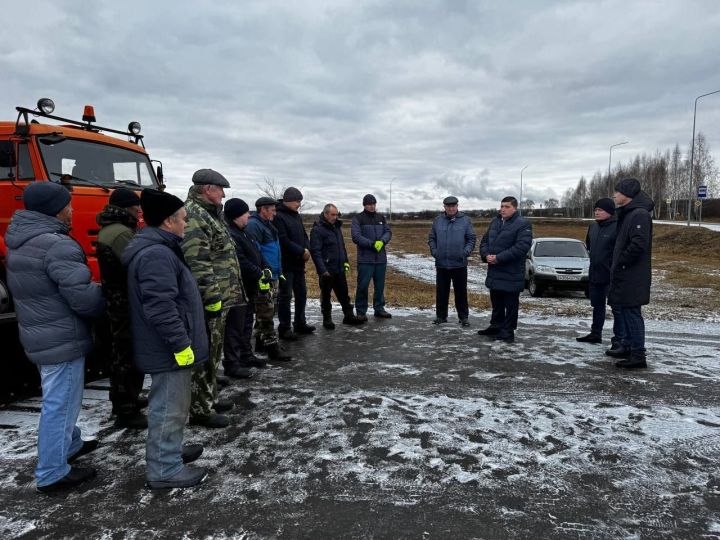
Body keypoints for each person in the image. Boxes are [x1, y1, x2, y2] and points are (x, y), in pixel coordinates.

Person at [5, 182, 105, 493]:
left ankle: (71, 444)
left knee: (59, 397)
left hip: (39, 332)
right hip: (61, 336)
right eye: (68, 204)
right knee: (61, 403)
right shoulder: (56, 244)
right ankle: (52, 472)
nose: (72, 209)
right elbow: (83, 299)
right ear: (55, 209)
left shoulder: (21, 241)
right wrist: (107, 296)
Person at [124, 188, 208, 489]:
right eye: (183, 219)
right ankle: (164, 469)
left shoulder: (161, 247)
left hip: (167, 346)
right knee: (168, 406)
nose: (186, 224)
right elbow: (160, 307)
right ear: (168, 222)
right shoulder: (157, 254)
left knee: (174, 404)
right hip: (167, 348)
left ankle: (169, 451)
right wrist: (181, 344)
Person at [182, 169, 248, 429]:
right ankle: (200, 409)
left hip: (223, 296)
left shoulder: (212, 214)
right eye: (221, 189)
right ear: (208, 189)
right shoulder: (195, 215)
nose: (223, 194)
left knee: (214, 353)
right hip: (211, 298)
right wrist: (211, 297)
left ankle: (208, 398)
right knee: (205, 353)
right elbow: (198, 261)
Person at [96, 187, 147, 429]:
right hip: (124, 305)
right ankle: (126, 407)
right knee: (127, 356)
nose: (139, 210)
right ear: (127, 207)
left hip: (119, 303)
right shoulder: (120, 234)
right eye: (136, 206)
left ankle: (126, 400)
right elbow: (139, 267)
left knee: (123, 354)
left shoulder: (114, 230)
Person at [606, 178, 654, 369]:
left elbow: (638, 244)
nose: (614, 195)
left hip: (632, 274)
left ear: (627, 195)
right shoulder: (628, 213)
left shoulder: (639, 215)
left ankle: (638, 354)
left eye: (617, 192)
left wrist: (622, 262)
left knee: (632, 312)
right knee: (624, 310)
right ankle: (626, 345)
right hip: (625, 273)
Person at [478, 196, 532, 342]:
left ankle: (508, 331)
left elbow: (521, 247)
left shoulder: (523, 224)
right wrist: (486, 255)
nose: (503, 209)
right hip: (494, 272)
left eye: (507, 206)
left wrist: (498, 258)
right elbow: (484, 241)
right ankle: (496, 326)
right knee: (497, 303)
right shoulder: (495, 222)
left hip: (511, 272)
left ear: (515, 208)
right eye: (502, 206)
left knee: (511, 304)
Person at [244, 196, 292, 361]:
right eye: (272, 209)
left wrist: (278, 271)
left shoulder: (268, 225)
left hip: (273, 274)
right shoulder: (253, 226)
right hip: (264, 277)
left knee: (269, 310)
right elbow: (254, 252)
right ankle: (272, 346)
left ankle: (261, 342)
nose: (275, 212)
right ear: (262, 209)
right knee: (266, 311)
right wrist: (262, 274)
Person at [309, 203, 365, 329]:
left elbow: (342, 247)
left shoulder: (337, 228)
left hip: (339, 268)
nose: (335, 217)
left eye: (336, 214)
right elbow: (316, 252)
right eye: (333, 214)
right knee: (326, 296)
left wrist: (345, 261)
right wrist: (322, 270)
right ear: (325, 214)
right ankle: (327, 319)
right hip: (327, 271)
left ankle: (349, 316)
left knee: (344, 294)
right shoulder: (317, 230)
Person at [576, 198, 620, 345]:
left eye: (600, 210)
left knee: (616, 309)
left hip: (612, 276)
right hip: (595, 274)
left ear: (609, 211)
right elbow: (589, 247)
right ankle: (596, 334)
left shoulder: (617, 227)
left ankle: (619, 340)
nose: (596, 212)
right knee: (597, 306)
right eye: (595, 210)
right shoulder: (593, 227)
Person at [428, 196, 477, 326]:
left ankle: (463, 317)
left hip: (459, 264)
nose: (451, 208)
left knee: (461, 292)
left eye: (453, 206)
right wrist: (435, 252)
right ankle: (441, 316)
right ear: (444, 207)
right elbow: (432, 238)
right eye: (448, 206)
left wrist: (465, 252)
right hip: (442, 264)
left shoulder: (465, 220)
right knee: (441, 292)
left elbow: (471, 238)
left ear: (457, 206)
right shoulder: (438, 221)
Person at [274, 187, 315, 340]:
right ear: (288, 200)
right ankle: (284, 328)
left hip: (299, 264)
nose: (299, 204)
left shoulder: (296, 216)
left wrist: (307, 249)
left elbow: (304, 235)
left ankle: (300, 323)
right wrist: (301, 251)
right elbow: (283, 240)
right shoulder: (279, 216)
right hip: (286, 264)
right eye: (297, 201)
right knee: (285, 296)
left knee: (302, 294)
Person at [351, 194, 393, 320]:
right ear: (364, 205)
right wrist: (372, 244)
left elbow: (388, 232)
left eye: (374, 204)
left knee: (379, 286)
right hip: (365, 259)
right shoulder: (358, 219)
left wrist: (382, 241)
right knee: (363, 285)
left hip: (380, 259)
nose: (372, 206)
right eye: (369, 204)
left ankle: (379, 308)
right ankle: (361, 311)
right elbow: (356, 236)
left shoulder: (381, 218)